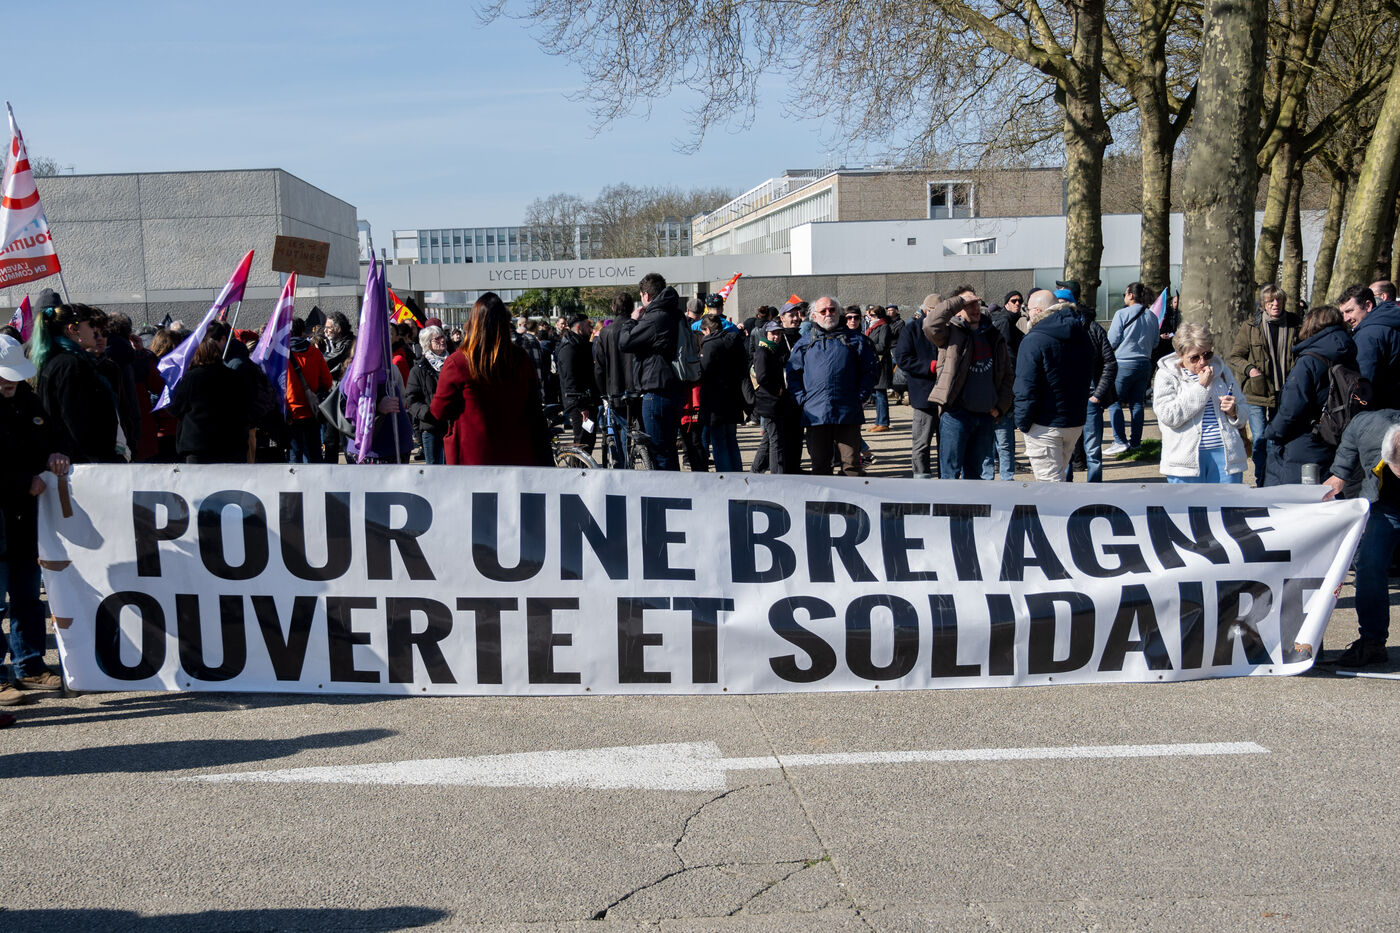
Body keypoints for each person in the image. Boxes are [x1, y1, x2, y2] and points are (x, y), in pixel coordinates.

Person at [0, 335, 70, 704]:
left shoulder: (28, 399)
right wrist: (20, 480)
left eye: (12, 375)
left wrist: (55, 453)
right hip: (5, 510)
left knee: (27, 595)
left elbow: (51, 434)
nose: (8, 382)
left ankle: (28, 665)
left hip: (25, 517)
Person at [430, 292, 549, 466]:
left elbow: (439, 411)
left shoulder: (458, 362)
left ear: (472, 323)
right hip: (517, 453)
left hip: (473, 456)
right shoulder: (520, 358)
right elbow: (533, 405)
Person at [1321, 410, 1400, 667]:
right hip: (1385, 505)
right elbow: (1353, 430)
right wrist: (1340, 473)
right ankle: (1372, 642)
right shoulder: (1370, 427)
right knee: (1368, 564)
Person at [922, 285, 1014, 480]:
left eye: (976, 303)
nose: (975, 308)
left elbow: (1007, 374)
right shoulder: (949, 333)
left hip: (985, 416)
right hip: (956, 415)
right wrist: (959, 301)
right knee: (950, 475)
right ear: (957, 309)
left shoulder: (993, 334)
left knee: (975, 477)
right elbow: (929, 325)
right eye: (968, 304)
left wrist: (1000, 407)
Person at [1260, 304, 1356, 485]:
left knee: (1291, 498)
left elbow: (1292, 408)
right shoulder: (1349, 354)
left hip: (1303, 441)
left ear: (1311, 326)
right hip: (1336, 436)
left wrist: (1272, 432)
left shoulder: (1309, 360)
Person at [788, 296, 878, 476]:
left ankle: (850, 495)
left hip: (848, 413)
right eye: (823, 311)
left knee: (851, 466)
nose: (828, 313)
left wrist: (860, 397)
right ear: (814, 315)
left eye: (832, 309)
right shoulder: (804, 343)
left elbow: (870, 371)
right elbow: (793, 374)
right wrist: (802, 401)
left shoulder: (856, 340)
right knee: (820, 466)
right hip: (816, 414)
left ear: (839, 312)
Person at [1013, 291, 1095, 481]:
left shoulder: (1033, 340)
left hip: (1045, 424)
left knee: (1049, 487)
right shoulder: (1081, 334)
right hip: (1074, 421)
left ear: (1038, 310)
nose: (1026, 314)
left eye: (1027, 309)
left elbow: (1025, 386)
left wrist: (1022, 423)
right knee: (1057, 482)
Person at [1153, 322, 1249, 483]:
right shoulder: (1166, 376)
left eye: (1207, 354)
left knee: (1228, 500)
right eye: (1194, 357)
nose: (1202, 361)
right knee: (1190, 501)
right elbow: (1169, 416)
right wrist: (1201, 387)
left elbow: (1244, 410)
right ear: (1180, 355)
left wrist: (1234, 411)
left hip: (1226, 458)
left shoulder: (1222, 371)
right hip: (1184, 462)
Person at [31, 303, 126, 463]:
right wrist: (103, 457)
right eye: (90, 324)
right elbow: (76, 420)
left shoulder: (62, 361)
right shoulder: (70, 365)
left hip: (80, 459)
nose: (95, 331)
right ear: (73, 329)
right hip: (84, 464)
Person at [1228, 284, 1300, 487]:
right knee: (1260, 437)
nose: (1275, 304)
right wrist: (1250, 369)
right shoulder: (1251, 326)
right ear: (1263, 304)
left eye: (1279, 300)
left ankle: (1276, 478)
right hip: (1257, 391)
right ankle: (1261, 479)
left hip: (1285, 391)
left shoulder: (1295, 323)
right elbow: (1235, 356)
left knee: (1277, 437)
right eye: (1270, 301)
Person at [619, 273, 684, 470]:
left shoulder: (655, 317)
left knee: (659, 453)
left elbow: (625, 342)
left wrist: (631, 320)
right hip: (675, 388)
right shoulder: (675, 313)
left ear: (646, 295)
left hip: (656, 390)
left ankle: (665, 489)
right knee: (669, 450)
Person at [1060, 287, 1117, 482]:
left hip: (1090, 398)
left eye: (1062, 304)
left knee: (1093, 451)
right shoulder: (1055, 330)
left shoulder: (1093, 328)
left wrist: (1098, 395)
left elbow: (1110, 362)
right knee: (1065, 451)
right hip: (1065, 401)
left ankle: (1094, 490)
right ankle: (1065, 490)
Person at [169, 335, 254, 463]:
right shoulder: (234, 376)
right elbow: (246, 407)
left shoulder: (191, 378)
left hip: (198, 446)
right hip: (231, 445)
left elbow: (175, 409)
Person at [1106, 282, 1159, 455]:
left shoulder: (1121, 314)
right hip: (1145, 363)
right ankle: (1135, 442)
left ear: (1130, 295)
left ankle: (1119, 440)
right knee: (1137, 404)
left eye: (1125, 293)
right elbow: (1156, 342)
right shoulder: (1152, 316)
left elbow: (1112, 340)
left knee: (1114, 402)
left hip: (1123, 362)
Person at [894, 298, 941, 477]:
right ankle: (921, 479)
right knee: (922, 443)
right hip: (924, 396)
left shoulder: (951, 329)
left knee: (948, 445)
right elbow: (903, 358)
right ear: (925, 310)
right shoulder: (912, 329)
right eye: (935, 309)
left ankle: (947, 480)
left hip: (950, 397)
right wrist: (930, 366)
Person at [751, 317, 804, 474]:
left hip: (773, 403)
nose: (776, 337)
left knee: (768, 439)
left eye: (779, 334)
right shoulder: (763, 351)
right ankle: (777, 474)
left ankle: (756, 470)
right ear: (766, 334)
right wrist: (778, 389)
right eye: (773, 333)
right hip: (769, 403)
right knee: (776, 441)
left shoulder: (772, 351)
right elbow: (762, 377)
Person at [697, 312, 747, 471]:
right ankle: (737, 474)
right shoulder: (734, 342)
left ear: (707, 330)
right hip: (733, 398)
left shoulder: (710, 345)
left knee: (719, 443)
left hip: (715, 401)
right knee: (731, 440)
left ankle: (725, 477)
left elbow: (703, 372)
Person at [1338, 283, 1400, 410]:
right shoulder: (1391, 321)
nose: (1345, 318)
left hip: (1383, 409)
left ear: (1368, 305)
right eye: (1343, 313)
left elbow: (1364, 382)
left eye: (1349, 311)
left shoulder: (1368, 335)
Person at [988, 290, 1028, 480]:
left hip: (1003, 390)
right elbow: (1005, 357)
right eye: (1013, 300)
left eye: (1020, 301)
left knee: (999, 442)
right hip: (1003, 389)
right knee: (1002, 442)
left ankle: (1001, 477)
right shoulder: (1004, 322)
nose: (1018, 304)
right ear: (1006, 303)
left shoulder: (1009, 322)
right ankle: (1004, 478)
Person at [285, 317, 333, 464]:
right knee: (314, 455)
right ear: (303, 332)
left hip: (291, 413)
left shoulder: (282, 356)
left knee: (294, 456)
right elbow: (327, 382)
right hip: (313, 411)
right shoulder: (315, 353)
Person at [556, 313, 601, 457]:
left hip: (586, 400)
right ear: (579, 327)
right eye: (588, 325)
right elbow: (570, 380)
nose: (591, 329)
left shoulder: (580, 344)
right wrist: (581, 407)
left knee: (587, 442)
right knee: (581, 444)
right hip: (578, 403)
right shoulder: (569, 348)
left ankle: (582, 468)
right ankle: (578, 469)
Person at [405, 324, 449, 465]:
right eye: (437, 339)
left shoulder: (453, 363)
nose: (443, 340)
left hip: (452, 427)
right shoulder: (418, 369)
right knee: (434, 470)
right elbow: (412, 399)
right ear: (427, 343)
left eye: (443, 336)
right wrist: (429, 413)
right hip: (431, 428)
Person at [864, 306, 895, 432]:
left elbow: (882, 346)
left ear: (878, 316)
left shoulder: (884, 327)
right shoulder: (873, 327)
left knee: (881, 394)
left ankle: (883, 422)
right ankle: (878, 421)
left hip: (882, 364)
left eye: (872, 315)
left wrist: (867, 346)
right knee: (876, 394)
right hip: (874, 363)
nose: (869, 317)